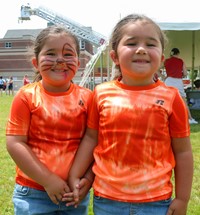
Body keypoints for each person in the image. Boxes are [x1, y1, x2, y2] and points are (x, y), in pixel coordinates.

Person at [64, 14, 193, 215]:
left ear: (161, 58)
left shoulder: (172, 97)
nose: (141, 49)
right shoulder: (100, 93)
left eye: (151, 44)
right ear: (114, 56)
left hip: (157, 203)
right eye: (132, 43)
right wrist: (74, 174)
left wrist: (183, 198)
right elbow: (91, 138)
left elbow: (183, 152)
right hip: (107, 201)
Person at [6, 25, 93, 215]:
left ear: (78, 63)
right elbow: (15, 143)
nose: (60, 59)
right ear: (35, 63)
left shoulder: (89, 99)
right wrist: (48, 180)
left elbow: (95, 142)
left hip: (74, 194)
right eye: (51, 53)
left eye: (68, 54)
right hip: (33, 193)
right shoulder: (26, 96)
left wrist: (88, 178)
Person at [164, 48, 198, 124]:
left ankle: (165, 118)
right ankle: (190, 118)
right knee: (183, 101)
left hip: (168, 81)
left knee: (166, 101)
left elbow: (157, 69)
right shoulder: (180, 61)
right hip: (178, 81)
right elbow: (185, 73)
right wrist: (180, 74)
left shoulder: (166, 61)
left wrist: (163, 76)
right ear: (178, 54)